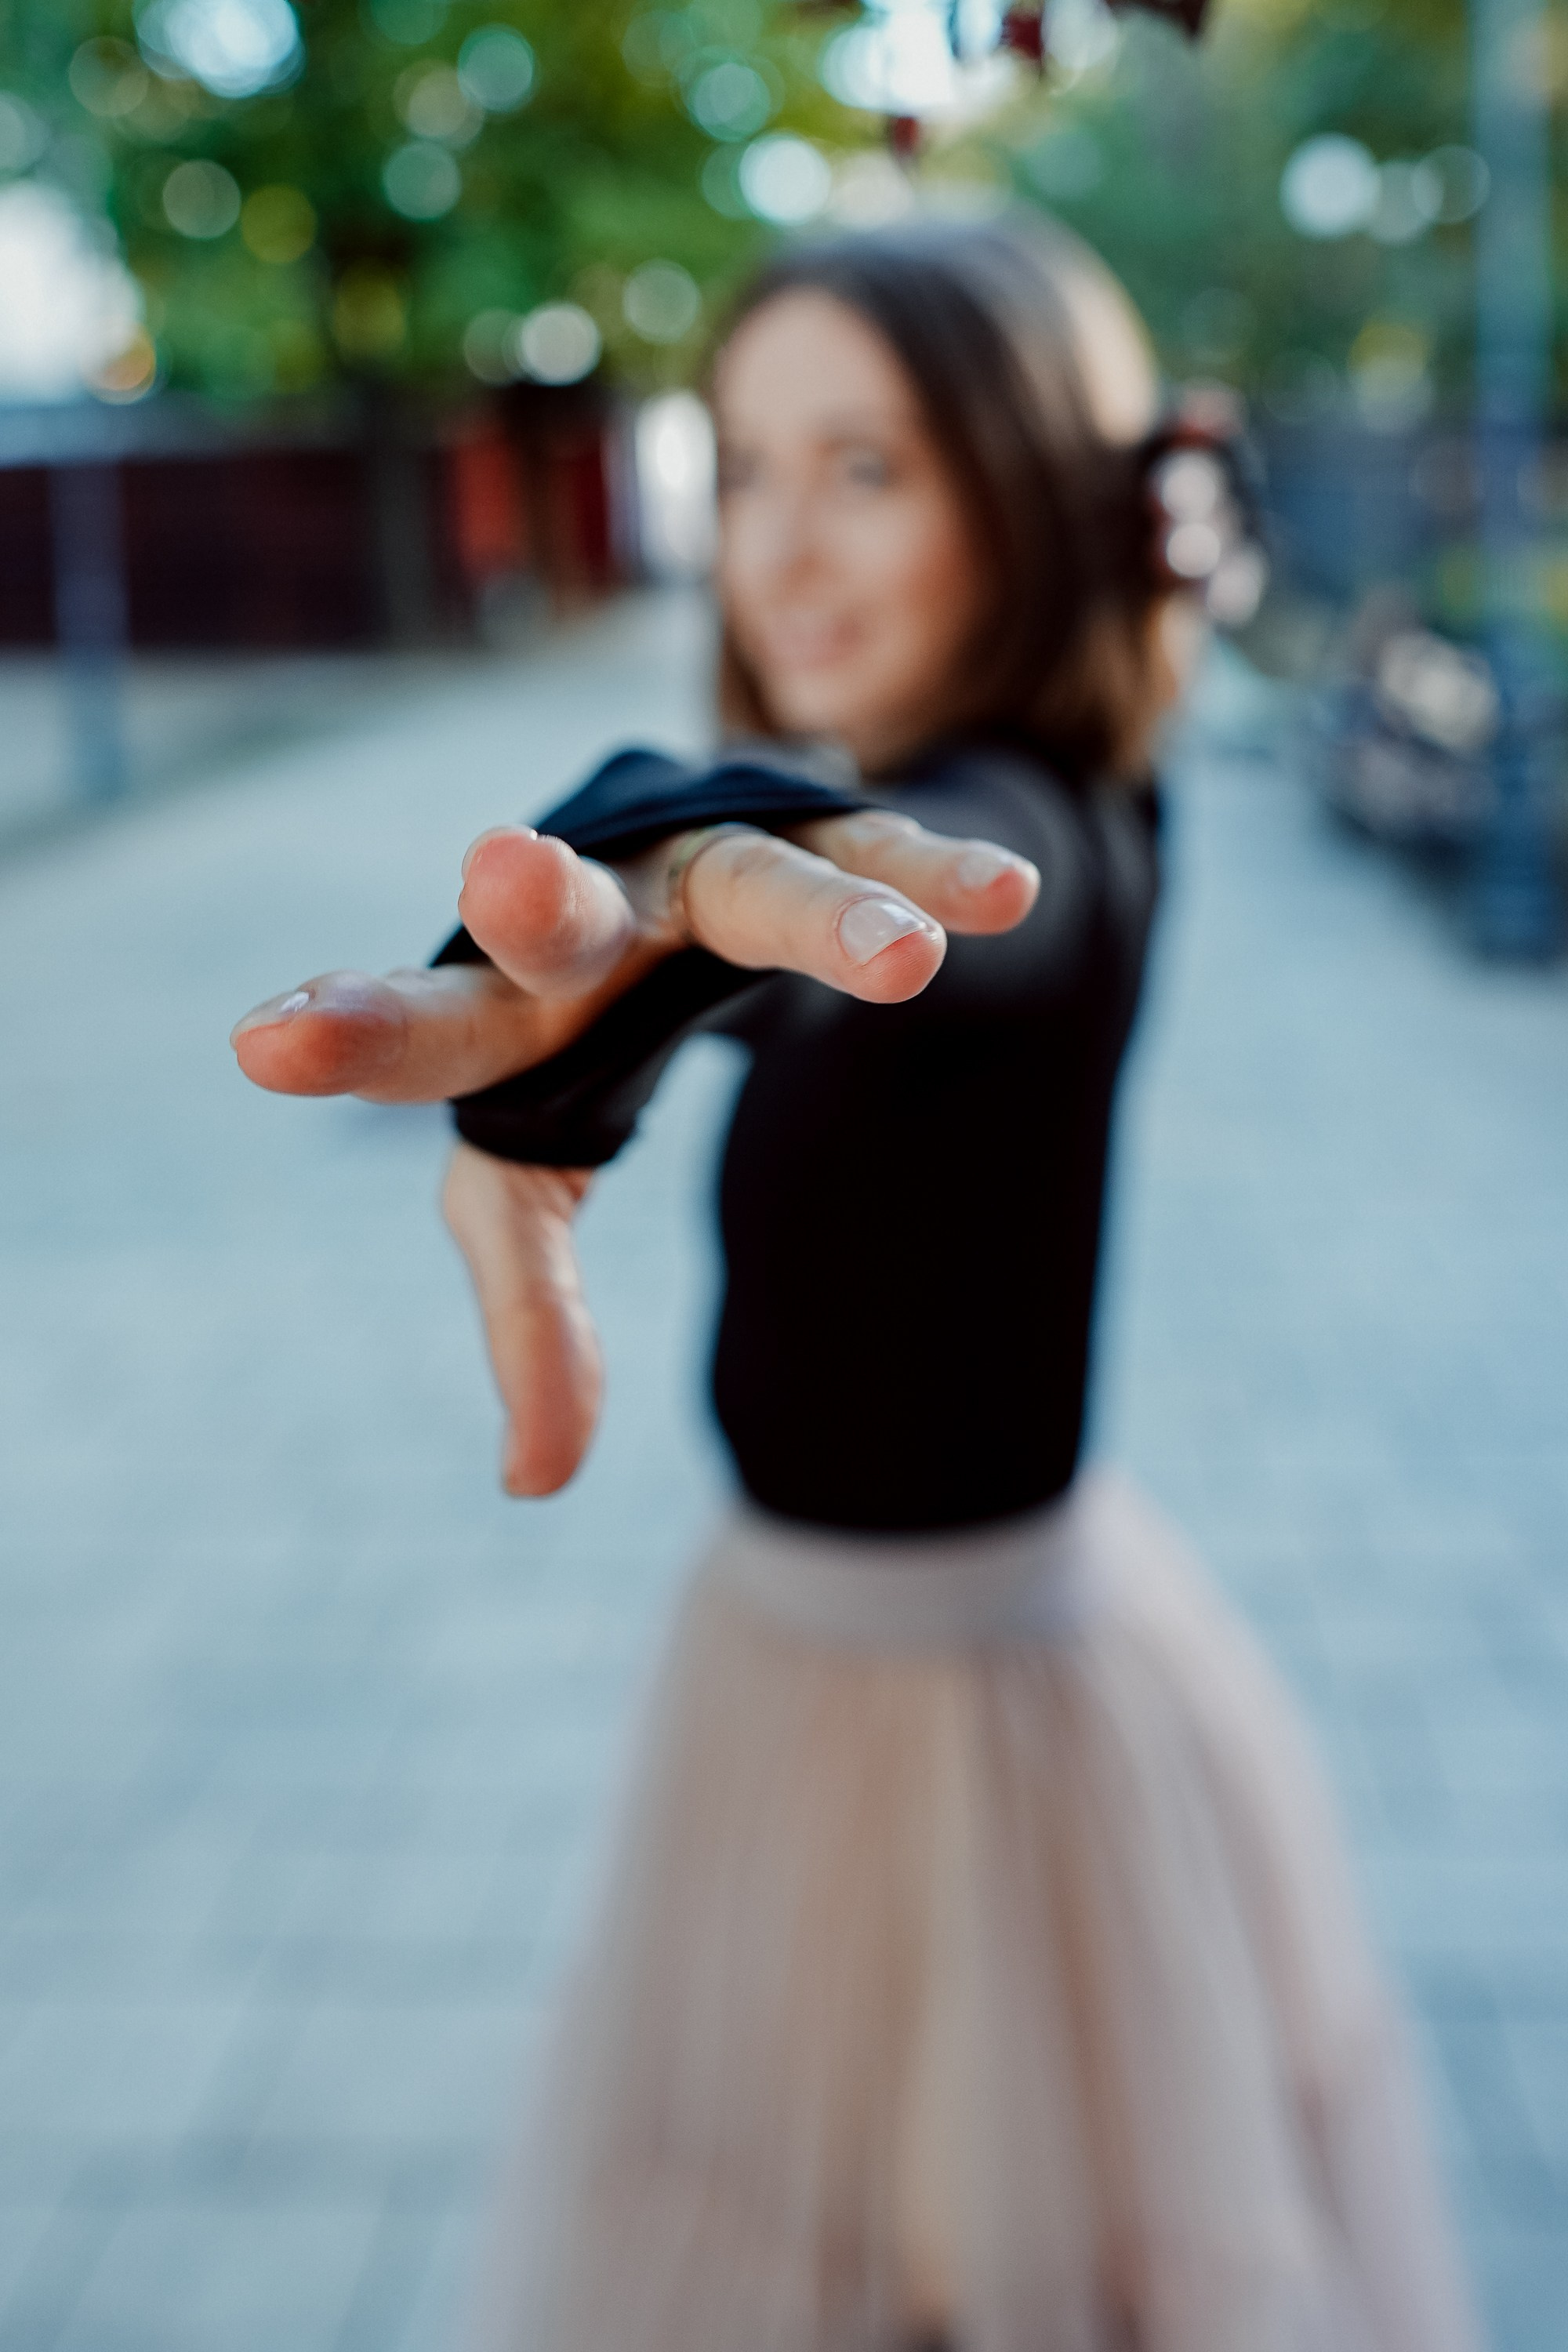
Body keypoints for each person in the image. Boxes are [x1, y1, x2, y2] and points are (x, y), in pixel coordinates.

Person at [231, 217, 1481, 2352]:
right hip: (782, 1664)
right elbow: (778, 919)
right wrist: (644, 902)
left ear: (1045, 493)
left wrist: (695, 867)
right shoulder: (908, 823)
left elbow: (939, 910)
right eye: (750, 466)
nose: (783, 550)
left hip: (982, 1744)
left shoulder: (1049, 825)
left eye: (871, 468)